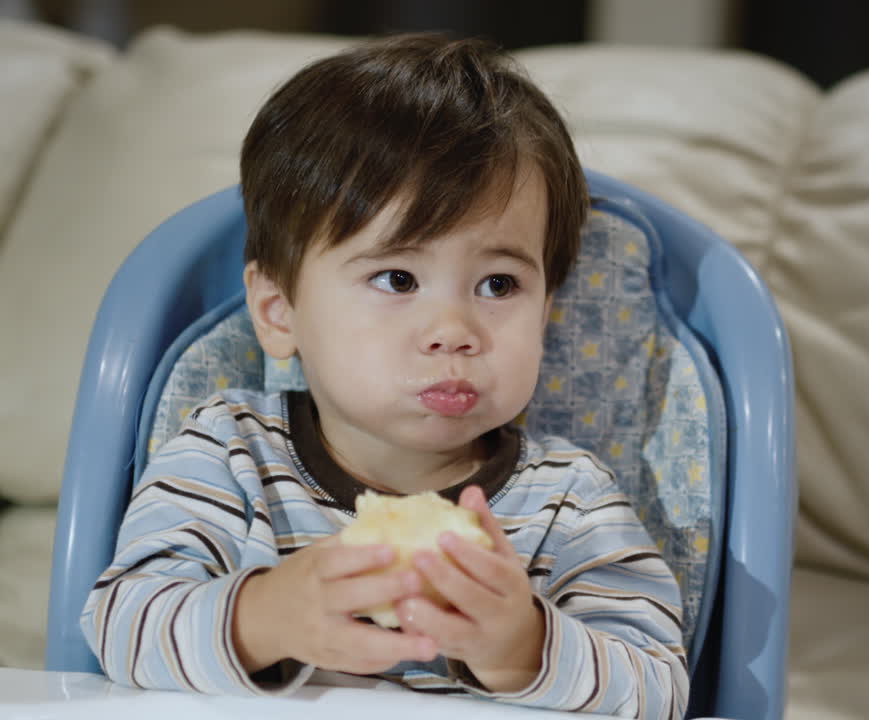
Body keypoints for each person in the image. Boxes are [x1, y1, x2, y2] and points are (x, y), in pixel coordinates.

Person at [80, 32, 688, 719]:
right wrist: (264, 616)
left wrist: (523, 644)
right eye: (398, 277)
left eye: (498, 284)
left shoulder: (570, 503)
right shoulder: (227, 454)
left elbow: (659, 686)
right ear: (280, 312)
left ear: (547, 310)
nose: (454, 329)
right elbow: (118, 627)